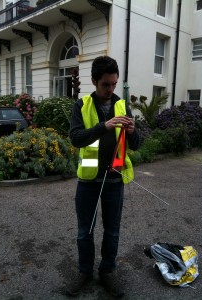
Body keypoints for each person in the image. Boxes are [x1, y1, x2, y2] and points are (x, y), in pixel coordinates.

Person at [67, 56, 139, 297]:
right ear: (94, 81)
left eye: (114, 84)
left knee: (113, 231)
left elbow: (136, 145)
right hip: (88, 181)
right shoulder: (82, 105)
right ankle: (85, 272)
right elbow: (76, 138)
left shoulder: (122, 105)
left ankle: (107, 272)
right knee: (84, 232)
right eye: (105, 85)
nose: (110, 90)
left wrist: (132, 132)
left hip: (115, 180)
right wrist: (105, 125)